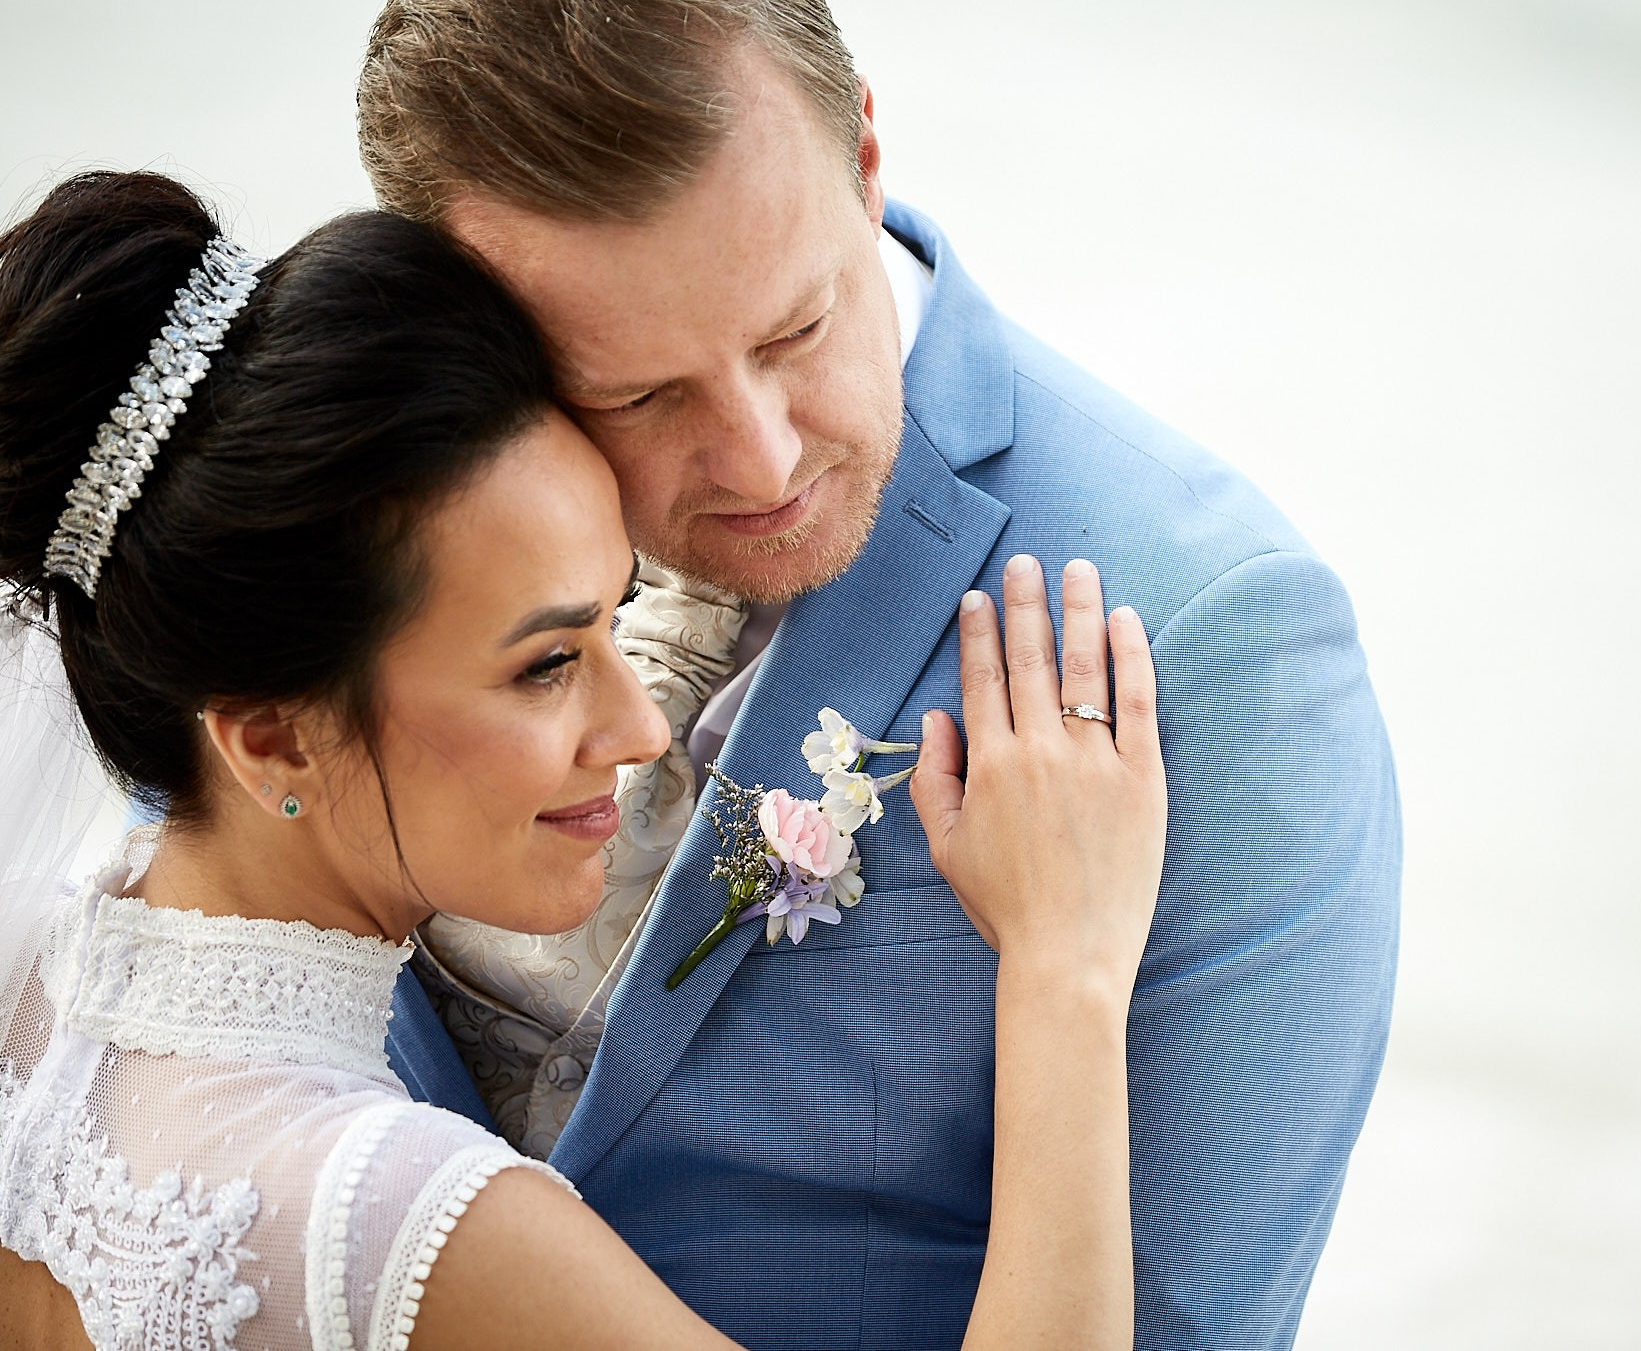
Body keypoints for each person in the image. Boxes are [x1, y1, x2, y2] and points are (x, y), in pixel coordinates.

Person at [357, 0, 1401, 1348]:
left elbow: (1182, 1325)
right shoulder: (364, 534)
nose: (764, 460)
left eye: (797, 331)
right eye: (636, 394)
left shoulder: (1215, 631)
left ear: (861, 154)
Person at [0, 170, 1165, 1349]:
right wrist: (1064, 971)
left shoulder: (23, 994)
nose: (643, 729)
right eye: (547, 664)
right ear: (272, 736)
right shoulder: (412, 1225)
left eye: (621, 613)